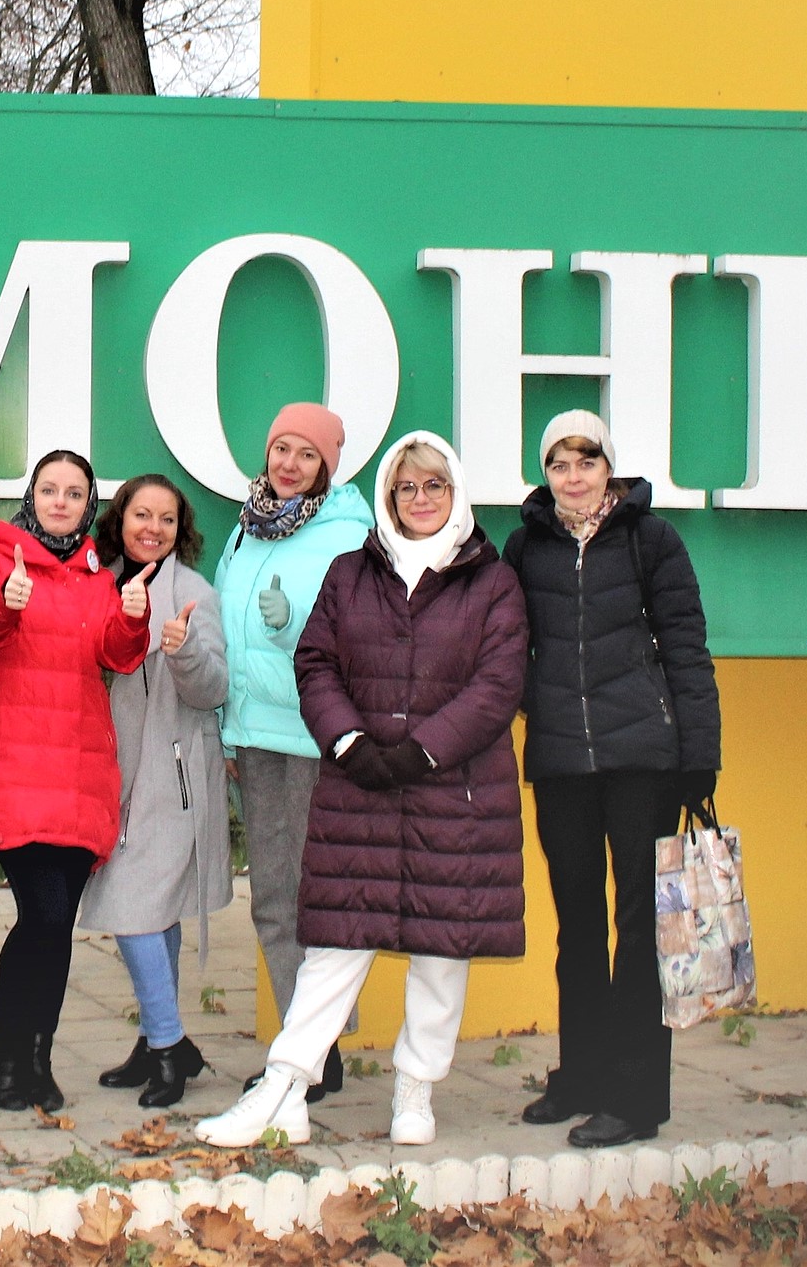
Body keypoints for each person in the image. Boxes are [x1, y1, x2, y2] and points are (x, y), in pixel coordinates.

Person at [197, 433, 527, 1151]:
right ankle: (285, 1088)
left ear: (455, 493)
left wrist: (424, 749)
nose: (420, 499)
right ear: (389, 496)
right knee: (335, 944)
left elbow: (499, 683)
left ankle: (416, 1089)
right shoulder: (352, 572)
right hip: (363, 785)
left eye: (434, 486)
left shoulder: (492, 581)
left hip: (456, 794)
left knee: (442, 946)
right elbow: (316, 661)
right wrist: (349, 742)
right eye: (407, 487)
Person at [506, 410, 721, 1150]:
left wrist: (699, 755)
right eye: (559, 464)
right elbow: (505, 645)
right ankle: (583, 1076)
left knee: (638, 929)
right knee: (578, 928)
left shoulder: (651, 539)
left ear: (609, 468)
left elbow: (686, 647)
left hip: (642, 762)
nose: (574, 477)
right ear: (545, 473)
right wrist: (535, 700)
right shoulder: (525, 546)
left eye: (587, 461)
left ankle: (636, 1098)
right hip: (561, 762)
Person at [0, 449, 151, 1112]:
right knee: (43, 914)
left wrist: (134, 616)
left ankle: (38, 1055)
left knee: (56, 925)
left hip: (78, 769)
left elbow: (116, 654)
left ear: (89, 505)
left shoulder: (98, 574)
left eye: (73, 493)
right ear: (30, 496)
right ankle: (7, 1053)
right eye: (49, 489)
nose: (60, 501)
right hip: (12, 768)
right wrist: (5, 604)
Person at [212, 404, 372, 1102]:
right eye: (281, 447)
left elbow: (362, 635)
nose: (289, 464)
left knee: (317, 900)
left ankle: (316, 1045)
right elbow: (227, 626)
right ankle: (306, 1049)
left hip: (314, 740)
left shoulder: (351, 535)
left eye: (307, 454)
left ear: (327, 466)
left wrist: (292, 626)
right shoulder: (246, 526)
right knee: (274, 899)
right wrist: (226, 724)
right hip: (255, 737)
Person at [81, 474, 228, 1108]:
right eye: (143, 515)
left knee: (135, 904)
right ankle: (157, 1040)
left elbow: (214, 688)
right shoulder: (98, 584)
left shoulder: (192, 593)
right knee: (153, 909)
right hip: (108, 774)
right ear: (121, 519)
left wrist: (185, 650)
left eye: (167, 519)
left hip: (172, 780)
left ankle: (168, 1046)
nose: (154, 529)